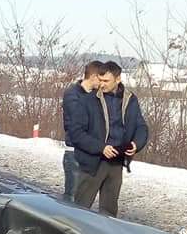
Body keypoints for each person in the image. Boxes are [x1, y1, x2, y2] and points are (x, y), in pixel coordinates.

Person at [72, 61, 148, 217]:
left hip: (117, 162)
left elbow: (141, 126)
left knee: (109, 214)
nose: (101, 84)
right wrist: (101, 148)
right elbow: (76, 133)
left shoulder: (130, 100)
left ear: (118, 79)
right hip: (93, 162)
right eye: (100, 80)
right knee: (79, 210)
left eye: (106, 81)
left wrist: (136, 143)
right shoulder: (88, 101)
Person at [62, 61, 105, 201]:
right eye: (100, 78)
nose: (102, 83)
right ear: (93, 76)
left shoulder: (95, 96)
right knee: (73, 199)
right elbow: (78, 125)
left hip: (90, 153)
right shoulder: (72, 95)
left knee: (84, 201)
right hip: (75, 152)